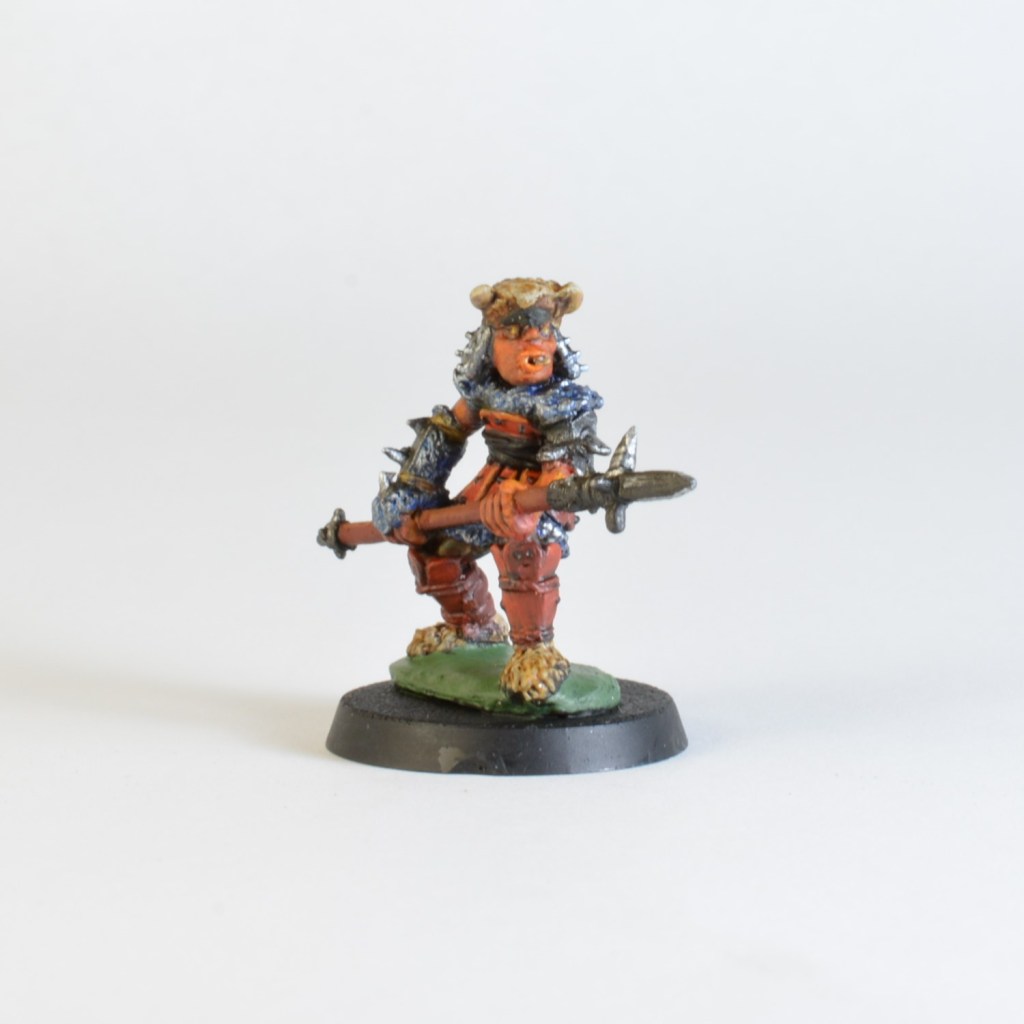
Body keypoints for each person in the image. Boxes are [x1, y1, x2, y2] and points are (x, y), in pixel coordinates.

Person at [371, 278, 608, 703]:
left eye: (544, 333)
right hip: (489, 490)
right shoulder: (485, 394)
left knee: (525, 551)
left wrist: (532, 503)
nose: (533, 345)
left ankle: (536, 651)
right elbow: (445, 434)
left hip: (543, 498)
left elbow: (566, 470)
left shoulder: (565, 402)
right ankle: (474, 625)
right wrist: (409, 494)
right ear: (490, 343)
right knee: (432, 549)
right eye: (514, 334)